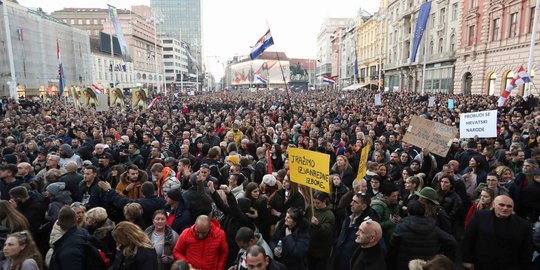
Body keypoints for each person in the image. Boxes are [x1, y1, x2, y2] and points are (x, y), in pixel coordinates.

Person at [462, 195, 533, 270]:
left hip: (509, 266)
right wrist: (467, 260)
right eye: (501, 205)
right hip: (481, 264)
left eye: (509, 206)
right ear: (493, 205)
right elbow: (468, 238)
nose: (505, 208)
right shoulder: (479, 216)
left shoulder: (523, 224)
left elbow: (527, 248)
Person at [389, 200, 457, 270]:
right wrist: (438, 250)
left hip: (406, 265)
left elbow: (393, 247)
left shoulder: (401, 227)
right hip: (428, 265)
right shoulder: (433, 228)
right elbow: (452, 241)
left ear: (408, 212)